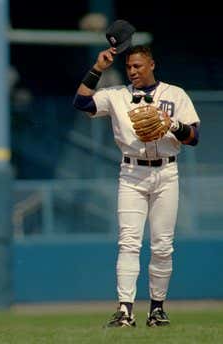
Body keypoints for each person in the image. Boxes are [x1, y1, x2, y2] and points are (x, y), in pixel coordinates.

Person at [73, 44, 200, 327]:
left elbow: (194, 137)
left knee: (162, 246)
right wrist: (98, 68)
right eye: (129, 67)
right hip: (132, 174)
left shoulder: (175, 94)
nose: (132, 71)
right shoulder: (117, 96)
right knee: (129, 243)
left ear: (151, 65)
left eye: (138, 66)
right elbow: (81, 103)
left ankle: (157, 309)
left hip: (166, 172)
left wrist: (174, 126)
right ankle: (125, 310)